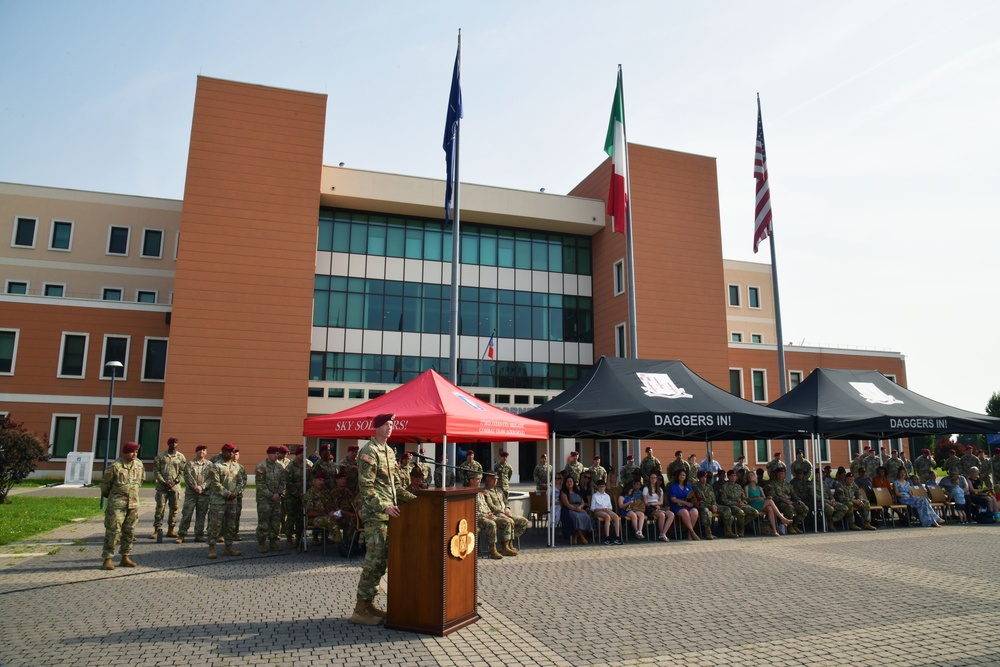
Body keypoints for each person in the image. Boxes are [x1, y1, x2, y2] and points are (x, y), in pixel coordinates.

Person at [351, 414, 417, 626]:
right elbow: (366, 488)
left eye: (392, 424)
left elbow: (394, 486)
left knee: (382, 563)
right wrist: (384, 506)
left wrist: (419, 499)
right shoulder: (369, 452)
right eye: (387, 424)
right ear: (377, 426)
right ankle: (360, 610)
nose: (391, 427)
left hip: (390, 515)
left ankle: (369, 604)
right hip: (377, 515)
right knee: (373, 562)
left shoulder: (389, 451)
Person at [100, 441, 144, 570]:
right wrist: (114, 497)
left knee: (129, 531)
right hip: (117, 505)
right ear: (125, 452)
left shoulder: (139, 465)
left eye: (136, 452)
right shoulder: (115, 466)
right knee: (113, 531)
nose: (134, 454)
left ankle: (125, 556)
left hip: (133, 504)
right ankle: (108, 558)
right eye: (132, 452)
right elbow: (105, 486)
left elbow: (140, 481)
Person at [206, 443, 245, 558]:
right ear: (223, 452)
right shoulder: (216, 466)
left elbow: (240, 482)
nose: (232, 454)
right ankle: (212, 548)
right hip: (219, 501)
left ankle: (229, 547)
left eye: (233, 452)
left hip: (232, 501)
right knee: (215, 525)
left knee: (230, 525)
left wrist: (235, 493)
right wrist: (228, 494)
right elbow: (215, 484)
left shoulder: (236, 466)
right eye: (230, 452)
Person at [483, 472, 528, 555]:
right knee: (509, 522)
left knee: (523, 521)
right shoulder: (486, 491)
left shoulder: (499, 490)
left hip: (505, 512)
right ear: (487, 479)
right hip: (497, 513)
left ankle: (510, 540)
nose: (495, 480)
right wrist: (502, 511)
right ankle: (505, 546)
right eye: (493, 478)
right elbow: (491, 506)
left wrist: (507, 508)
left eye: (496, 479)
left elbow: (505, 501)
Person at [176, 445, 212, 543]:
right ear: (196, 451)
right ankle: (182, 535)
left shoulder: (210, 464)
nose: (202, 452)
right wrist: (195, 487)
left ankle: (199, 535)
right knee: (187, 514)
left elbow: (211, 478)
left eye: (204, 450)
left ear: (206, 452)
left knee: (201, 515)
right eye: (200, 450)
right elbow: (187, 476)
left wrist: (202, 487)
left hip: (204, 494)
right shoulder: (190, 463)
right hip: (191, 494)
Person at [152, 436, 186, 539]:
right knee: (160, 508)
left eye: (176, 443)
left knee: (174, 508)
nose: (174, 445)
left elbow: (182, 471)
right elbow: (156, 471)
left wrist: (175, 482)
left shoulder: (181, 457)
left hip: (174, 488)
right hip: (162, 487)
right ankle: (157, 529)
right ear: (168, 444)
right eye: (172, 443)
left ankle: (171, 529)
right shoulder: (161, 456)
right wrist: (163, 482)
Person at [255, 446, 285, 553]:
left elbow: (283, 481)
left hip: (276, 499)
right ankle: (262, 543)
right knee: (264, 522)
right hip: (264, 500)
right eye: (274, 454)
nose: (276, 456)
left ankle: (273, 541)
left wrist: (278, 493)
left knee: (276, 522)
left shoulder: (280, 467)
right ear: (268, 454)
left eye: (277, 454)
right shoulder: (261, 467)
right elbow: (260, 485)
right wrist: (271, 495)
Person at [283, 445, 313, 549]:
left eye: (304, 453)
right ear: (297, 454)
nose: (302, 455)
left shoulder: (309, 464)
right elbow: (288, 482)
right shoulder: (290, 465)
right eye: (301, 453)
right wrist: (298, 494)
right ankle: (289, 539)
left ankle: (299, 539)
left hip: (304, 495)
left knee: (301, 518)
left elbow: (311, 480)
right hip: (292, 496)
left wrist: (306, 493)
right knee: (291, 517)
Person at [746, 472, 792, 536]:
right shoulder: (747, 487)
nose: (750, 477)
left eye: (752, 475)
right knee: (770, 501)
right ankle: (782, 519)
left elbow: (764, 498)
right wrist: (756, 498)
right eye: (749, 476)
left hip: (761, 503)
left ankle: (774, 530)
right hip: (753, 504)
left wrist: (767, 497)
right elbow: (747, 499)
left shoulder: (759, 487)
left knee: (770, 508)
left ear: (754, 477)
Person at [693, 470, 735, 539]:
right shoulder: (695, 487)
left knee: (727, 509)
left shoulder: (709, 486)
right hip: (703, 506)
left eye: (705, 477)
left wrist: (714, 505)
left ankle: (728, 531)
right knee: (705, 511)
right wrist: (710, 506)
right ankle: (708, 533)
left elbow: (713, 498)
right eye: (702, 477)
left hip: (712, 505)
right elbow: (698, 501)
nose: (704, 479)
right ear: (699, 478)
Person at [304, 472, 343, 543]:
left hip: (328, 515)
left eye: (323, 480)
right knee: (331, 520)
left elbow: (331, 504)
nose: (321, 482)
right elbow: (309, 512)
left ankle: (349, 543)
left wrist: (334, 512)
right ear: (314, 481)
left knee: (346, 518)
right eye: (319, 480)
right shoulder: (310, 494)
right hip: (315, 518)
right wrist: (327, 514)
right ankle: (340, 544)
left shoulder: (325, 492)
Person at [767, 468, 809, 534]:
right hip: (779, 503)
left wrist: (798, 500)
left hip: (789, 502)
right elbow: (773, 496)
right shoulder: (772, 484)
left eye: (782, 474)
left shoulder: (788, 484)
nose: (781, 475)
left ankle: (795, 524)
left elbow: (793, 494)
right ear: (777, 474)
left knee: (804, 508)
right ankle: (789, 526)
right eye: (779, 474)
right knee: (790, 507)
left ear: (785, 475)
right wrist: (784, 500)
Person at [718, 469, 758, 537]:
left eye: (735, 475)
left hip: (741, 504)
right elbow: (724, 500)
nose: (734, 477)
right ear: (728, 477)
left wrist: (743, 503)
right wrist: (736, 504)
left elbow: (744, 497)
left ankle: (738, 525)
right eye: (732, 476)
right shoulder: (724, 487)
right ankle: (741, 530)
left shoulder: (738, 486)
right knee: (740, 513)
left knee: (755, 512)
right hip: (732, 506)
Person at [477, 476, 507, 559]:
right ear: (471, 480)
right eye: (477, 479)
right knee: (491, 524)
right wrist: (487, 516)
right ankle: (492, 550)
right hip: (478, 518)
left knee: (505, 521)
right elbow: (473, 511)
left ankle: (506, 546)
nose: (479, 481)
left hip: (488, 515)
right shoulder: (470, 493)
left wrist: (490, 514)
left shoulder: (480, 493)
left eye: (479, 479)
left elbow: (486, 506)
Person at [559, 475, 593, 545]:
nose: (569, 483)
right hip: (569, 510)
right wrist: (576, 509)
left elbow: (582, 502)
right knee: (576, 517)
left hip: (578, 508)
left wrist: (580, 507)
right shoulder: (563, 492)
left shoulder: (577, 491)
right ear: (565, 483)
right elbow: (567, 504)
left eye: (571, 481)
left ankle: (575, 536)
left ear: (573, 483)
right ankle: (581, 536)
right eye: (568, 482)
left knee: (586, 516)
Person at [669, 469, 699, 541]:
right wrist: (686, 503)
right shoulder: (674, 486)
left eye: (683, 475)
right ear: (678, 476)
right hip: (677, 505)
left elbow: (691, 496)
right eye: (680, 475)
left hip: (688, 505)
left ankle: (689, 533)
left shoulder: (688, 486)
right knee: (685, 513)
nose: (682, 476)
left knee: (695, 512)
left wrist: (692, 502)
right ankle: (693, 532)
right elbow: (673, 499)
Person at [643, 471, 673, 542]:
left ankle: (663, 533)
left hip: (658, 507)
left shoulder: (660, 489)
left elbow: (661, 501)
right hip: (650, 508)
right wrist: (654, 504)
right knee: (662, 515)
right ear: (649, 479)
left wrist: (655, 504)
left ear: (657, 479)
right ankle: (661, 533)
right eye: (651, 478)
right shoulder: (646, 489)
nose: (653, 479)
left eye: (654, 478)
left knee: (671, 514)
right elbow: (646, 502)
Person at [590, 479, 622, 545]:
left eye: (603, 486)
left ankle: (617, 537)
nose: (601, 488)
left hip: (607, 510)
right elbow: (592, 508)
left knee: (616, 517)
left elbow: (610, 507)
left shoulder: (607, 496)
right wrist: (601, 509)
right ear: (597, 487)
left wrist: (608, 509)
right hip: (598, 511)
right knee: (607, 517)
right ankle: (607, 537)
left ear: (605, 487)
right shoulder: (595, 496)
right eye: (600, 486)